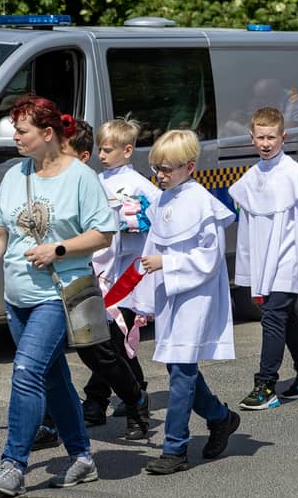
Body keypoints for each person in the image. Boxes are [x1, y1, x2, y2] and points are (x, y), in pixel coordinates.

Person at [0, 94, 118, 497]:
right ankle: (82, 458)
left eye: (22, 131)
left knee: (26, 371)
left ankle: (12, 465)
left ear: (47, 133)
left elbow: (104, 233)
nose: (14, 137)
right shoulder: (15, 175)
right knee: (53, 379)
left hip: (58, 295)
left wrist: (59, 249)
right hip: (17, 297)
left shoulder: (81, 177)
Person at [32, 118, 151, 450]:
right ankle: (50, 421)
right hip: (56, 281)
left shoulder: (104, 186)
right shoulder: (54, 182)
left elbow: (115, 235)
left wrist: (136, 218)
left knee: (102, 352)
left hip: (97, 280)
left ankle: (132, 398)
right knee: (48, 354)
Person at [134, 129, 240, 474]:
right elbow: (151, 249)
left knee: (181, 369)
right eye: (156, 169)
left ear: (189, 167)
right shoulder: (163, 200)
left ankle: (175, 448)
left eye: (167, 169)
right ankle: (220, 417)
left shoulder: (202, 203)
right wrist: (143, 303)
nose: (160, 176)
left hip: (196, 294)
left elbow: (210, 257)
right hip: (169, 293)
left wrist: (168, 263)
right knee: (177, 366)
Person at [231, 107, 298, 409]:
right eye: (260, 137)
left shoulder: (293, 175)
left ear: (283, 137)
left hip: (289, 260)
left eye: (271, 137)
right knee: (284, 317)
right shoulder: (251, 177)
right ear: (252, 138)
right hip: (265, 261)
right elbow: (247, 230)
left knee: (273, 316)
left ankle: (265, 384)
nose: (266, 143)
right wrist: (249, 267)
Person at [84, 118, 158, 427]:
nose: (101, 155)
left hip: (130, 274)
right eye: (100, 149)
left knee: (114, 337)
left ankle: (98, 399)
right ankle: (130, 389)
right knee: (111, 339)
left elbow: (157, 220)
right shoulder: (95, 181)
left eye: (108, 150)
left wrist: (138, 221)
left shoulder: (140, 185)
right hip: (103, 271)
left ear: (127, 150)